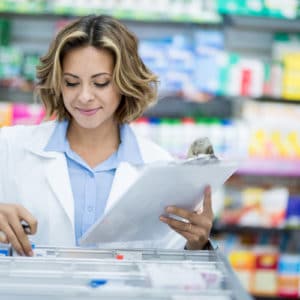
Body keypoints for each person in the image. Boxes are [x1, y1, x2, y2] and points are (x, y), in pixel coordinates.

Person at [0, 15, 213, 256]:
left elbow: (170, 265)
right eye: (71, 83)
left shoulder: (159, 165)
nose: (84, 96)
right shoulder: (9, 147)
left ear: (125, 83)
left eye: (100, 83)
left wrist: (196, 244)